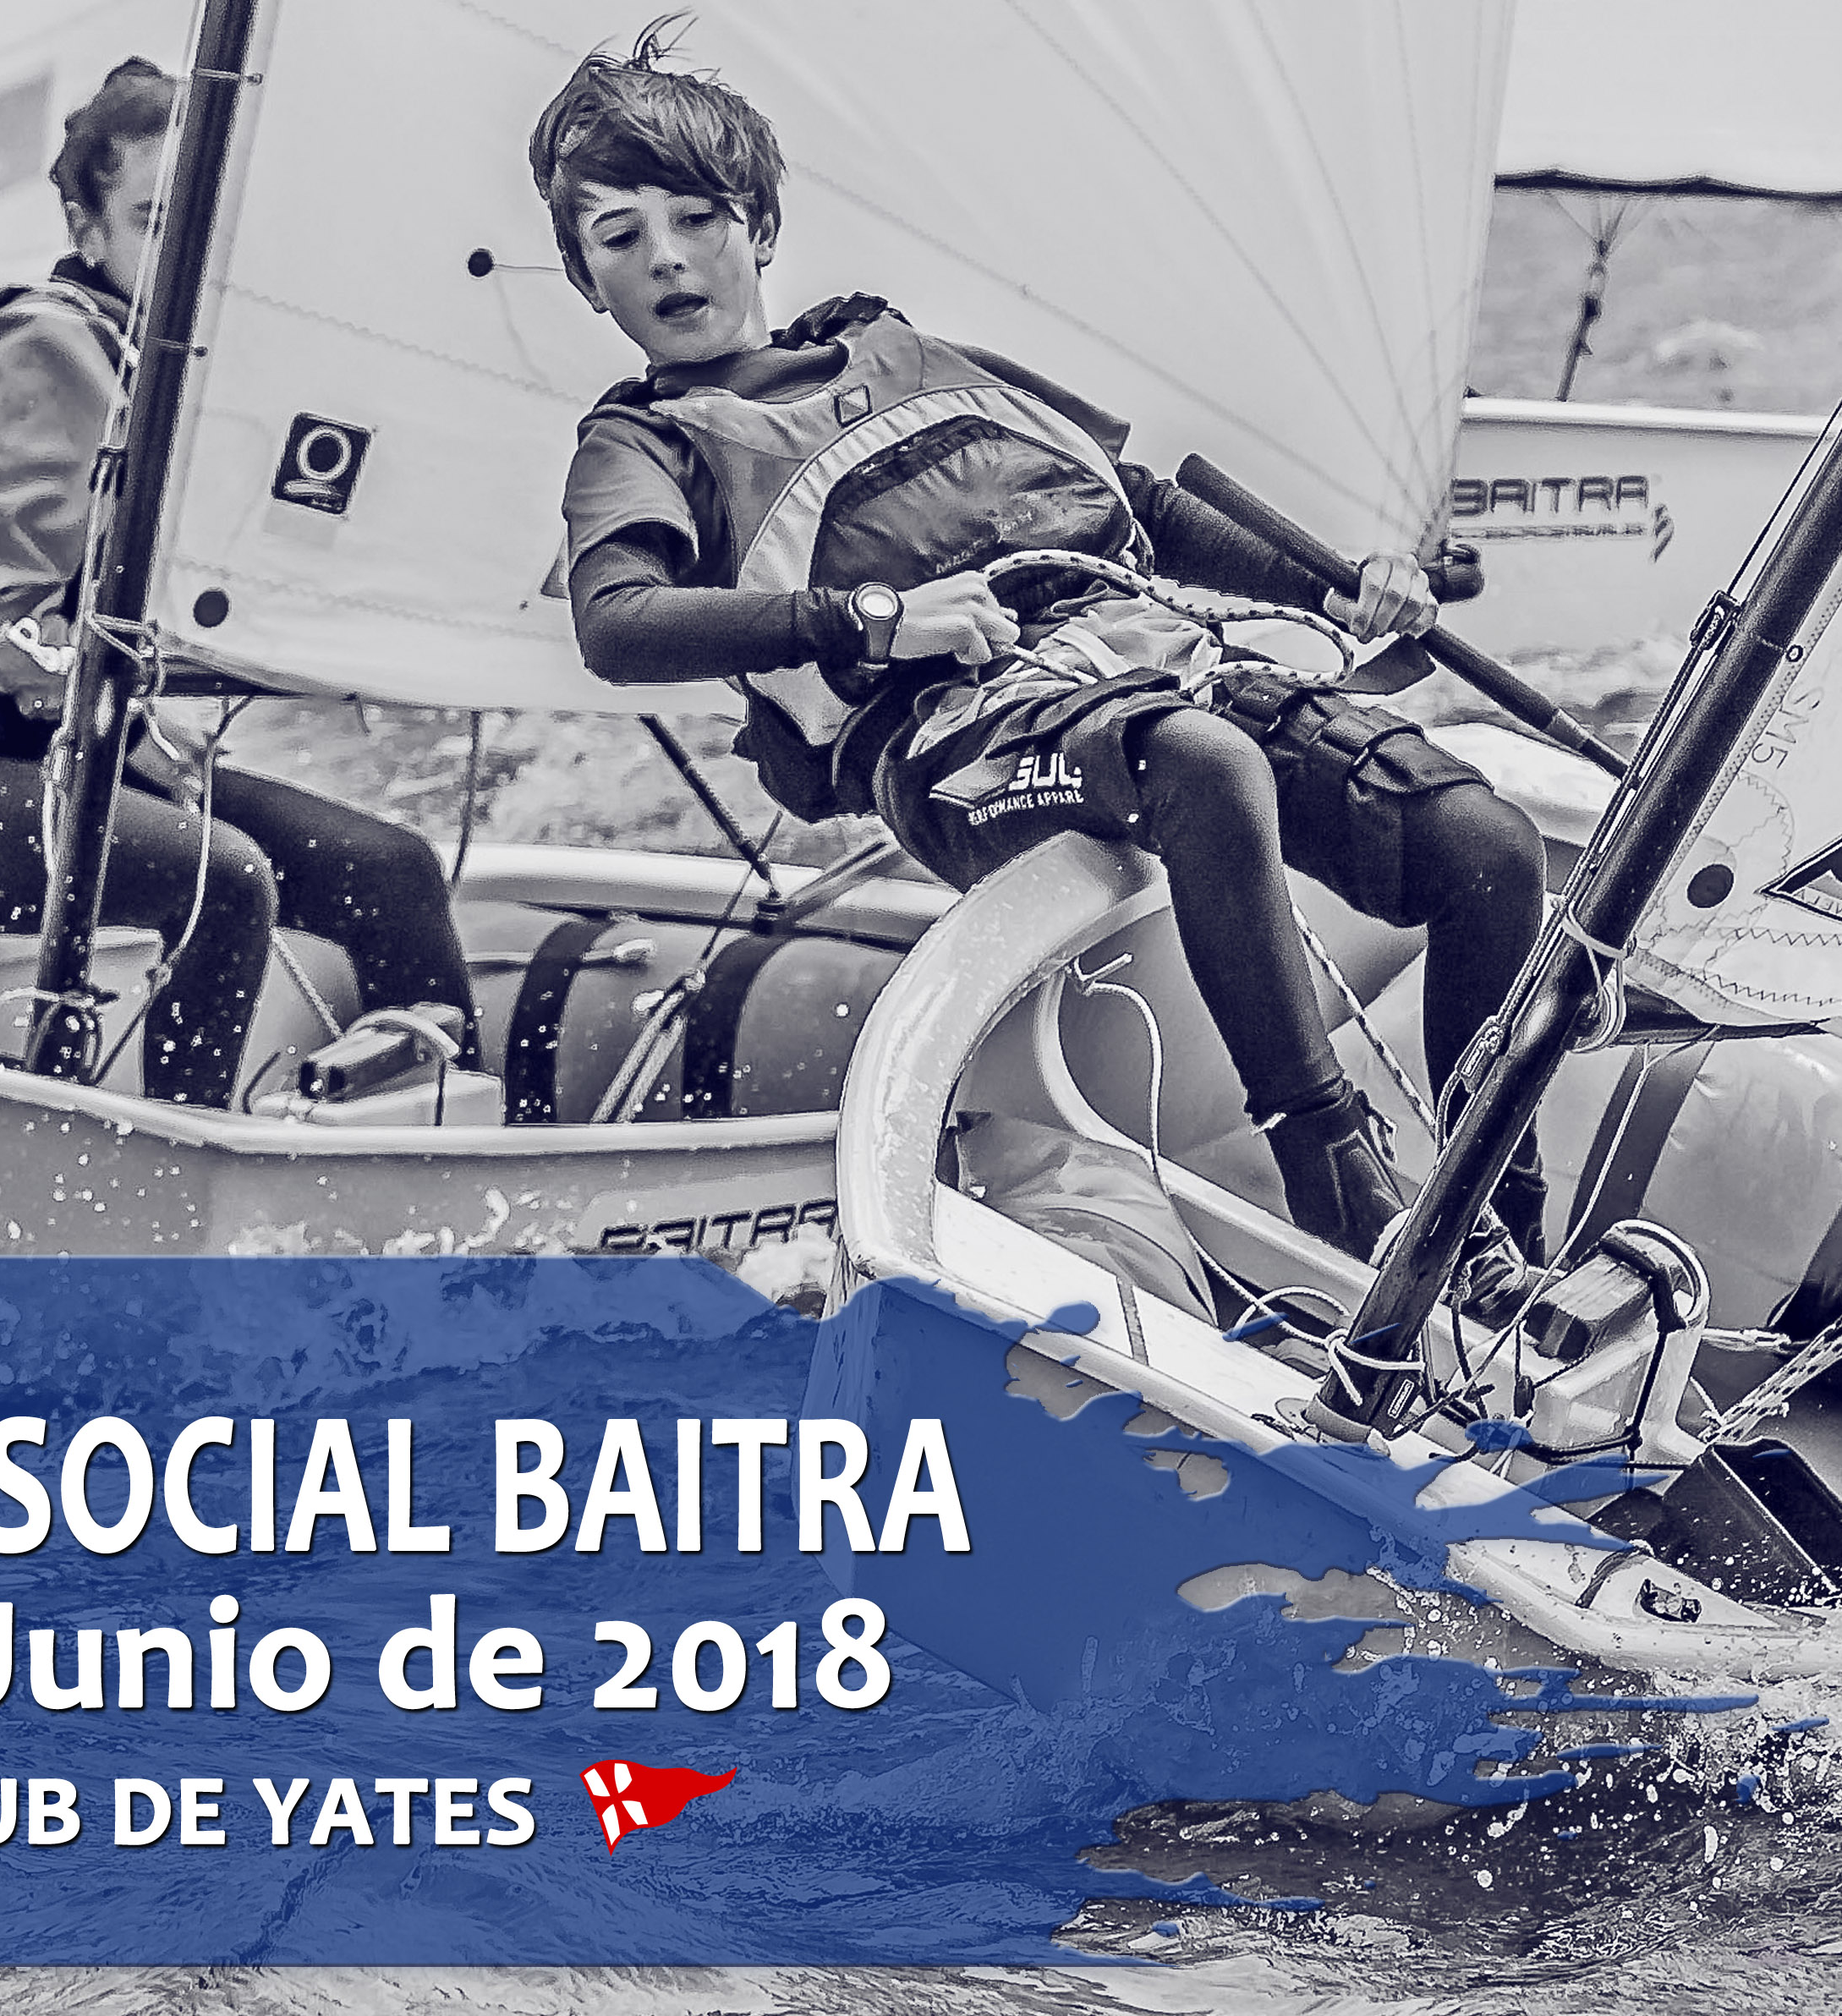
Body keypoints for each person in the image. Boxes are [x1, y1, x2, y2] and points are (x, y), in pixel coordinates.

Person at [530, 35, 1549, 1272]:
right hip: (951, 742)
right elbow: (616, 624)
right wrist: (874, 618)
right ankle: (1336, 1180)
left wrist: (1339, 582)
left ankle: (1496, 1225)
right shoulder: (644, 444)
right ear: (585, 278)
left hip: (1148, 659)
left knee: (1485, 845)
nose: (666, 257)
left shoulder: (910, 354)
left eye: (695, 217)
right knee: (1205, 765)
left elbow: (1139, 502)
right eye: (620, 236)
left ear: (760, 226)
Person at [0, 59, 473, 1109]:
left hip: (66, 764)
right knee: (223, 876)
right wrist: (111, 698)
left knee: (387, 869)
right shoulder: (49, 346)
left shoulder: (176, 369)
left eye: (207, 219)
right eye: (151, 219)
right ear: (87, 230)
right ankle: (176, 1158)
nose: (186, 250)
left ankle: (442, 1135)